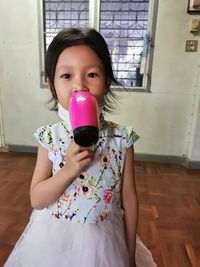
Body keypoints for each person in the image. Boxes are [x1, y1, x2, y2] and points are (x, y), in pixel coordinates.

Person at [4, 28, 157, 267]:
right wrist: (68, 170)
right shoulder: (49, 137)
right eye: (66, 76)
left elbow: (129, 199)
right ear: (51, 84)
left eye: (92, 74)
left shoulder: (121, 139)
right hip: (54, 242)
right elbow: (37, 199)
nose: (80, 85)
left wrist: (129, 255)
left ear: (107, 82)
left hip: (106, 240)